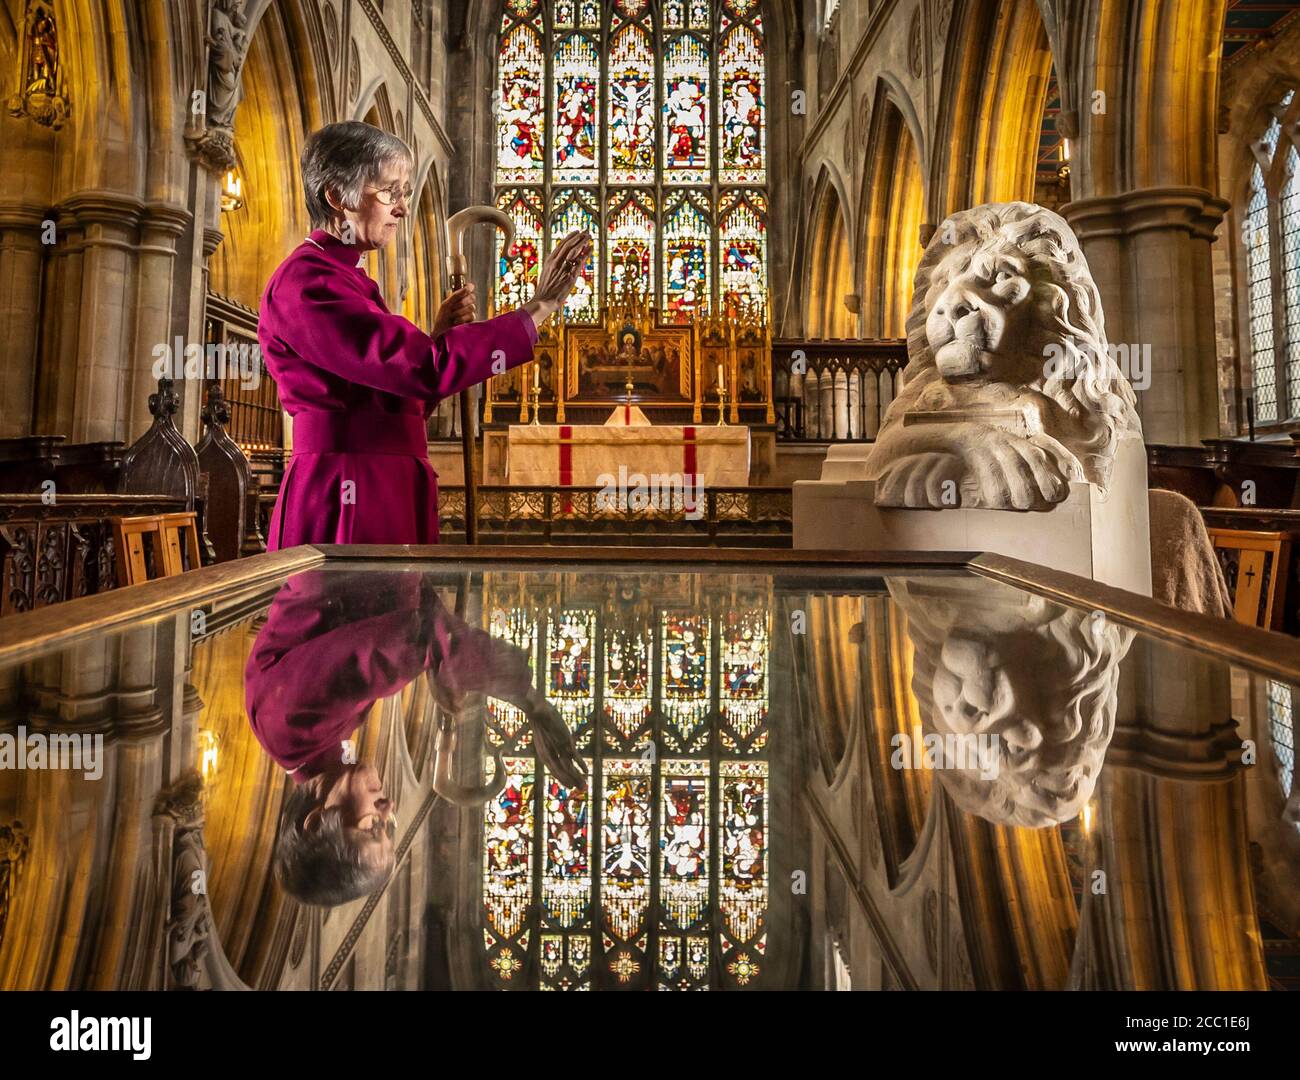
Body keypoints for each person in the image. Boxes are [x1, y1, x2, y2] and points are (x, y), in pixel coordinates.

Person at [258, 120, 591, 547]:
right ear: (337, 197)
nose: (401, 208)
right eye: (389, 192)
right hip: (347, 492)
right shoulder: (308, 281)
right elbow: (421, 370)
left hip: (380, 482)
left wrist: (437, 337)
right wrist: (537, 308)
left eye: (405, 194)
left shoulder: (347, 277)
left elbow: (398, 395)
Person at [245, 570, 585, 906]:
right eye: (388, 826)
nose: (388, 808)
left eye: (371, 826)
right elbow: (407, 615)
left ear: (317, 821)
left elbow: (417, 633)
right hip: (376, 545)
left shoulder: (293, 722)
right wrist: (437, 671)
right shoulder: (322, 744)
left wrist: (532, 701)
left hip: (352, 527)